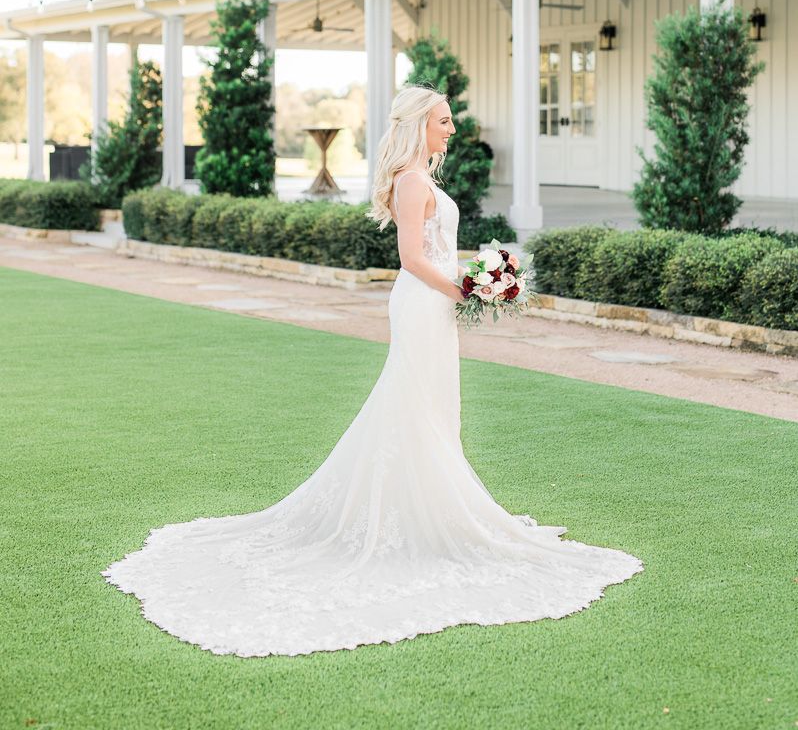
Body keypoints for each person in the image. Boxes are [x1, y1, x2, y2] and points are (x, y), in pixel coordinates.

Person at [101, 83, 643, 656]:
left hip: (437, 305)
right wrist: (468, 285)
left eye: (449, 120)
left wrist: (482, 275)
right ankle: (421, 518)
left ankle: (429, 511)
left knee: (431, 406)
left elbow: (437, 251)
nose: (451, 129)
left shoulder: (422, 178)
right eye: (443, 120)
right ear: (417, 126)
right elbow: (412, 260)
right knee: (414, 405)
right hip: (421, 303)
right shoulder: (411, 182)